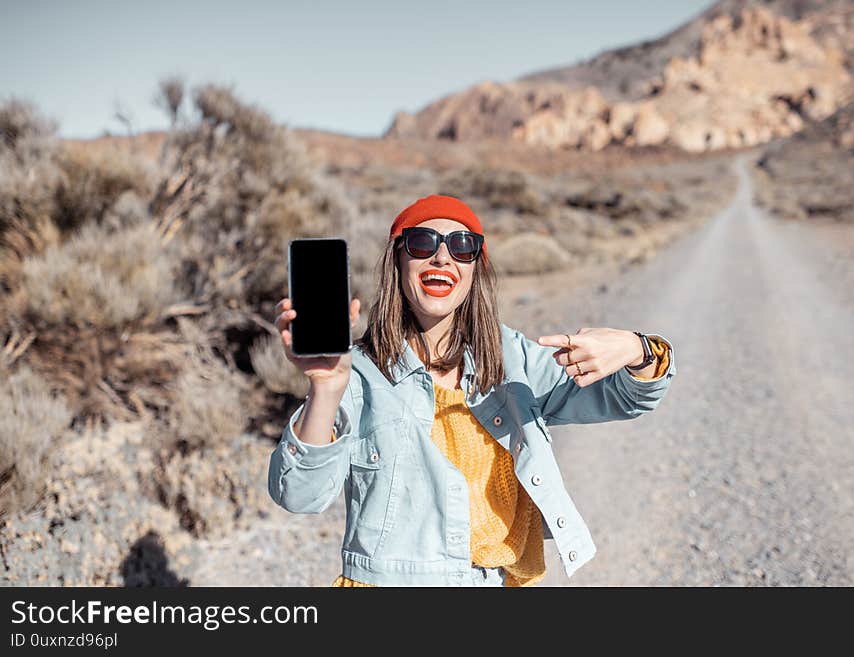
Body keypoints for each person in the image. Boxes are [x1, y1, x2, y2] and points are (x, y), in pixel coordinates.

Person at [268, 194, 675, 587]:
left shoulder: (511, 358)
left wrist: (638, 348)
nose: (442, 256)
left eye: (462, 246)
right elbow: (300, 496)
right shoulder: (358, 373)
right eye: (422, 242)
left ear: (475, 269)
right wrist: (325, 386)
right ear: (398, 262)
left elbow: (624, 397)